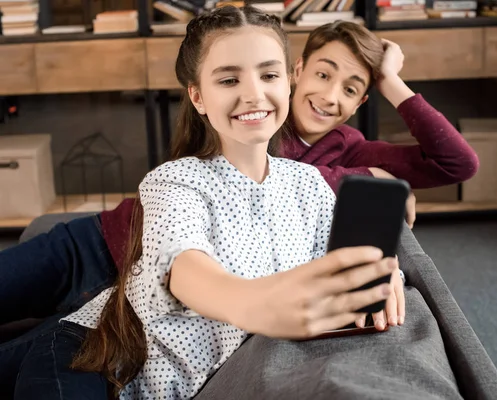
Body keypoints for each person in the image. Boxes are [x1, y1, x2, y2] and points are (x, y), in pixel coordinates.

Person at [0, 6, 409, 399]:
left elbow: (336, 264)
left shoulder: (311, 186)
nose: (253, 94)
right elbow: (184, 267)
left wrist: (376, 277)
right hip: (89, 353)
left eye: (268, 74)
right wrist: (255, 305)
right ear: (198, 98)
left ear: (288, 81)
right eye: (228, 80)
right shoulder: (173, 180)